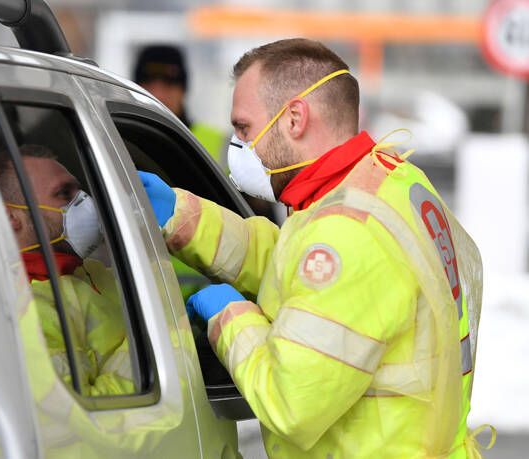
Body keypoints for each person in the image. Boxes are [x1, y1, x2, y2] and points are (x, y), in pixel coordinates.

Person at [139, 38, 489, 458]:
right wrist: (182, 215)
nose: (236, 144)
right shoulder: (384, 182)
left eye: (244, 128)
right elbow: (298, 265)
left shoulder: (347, 231)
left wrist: (229, 317)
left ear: (294, 119)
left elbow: (290, 402)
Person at [0, 144, 134, 397]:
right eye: (64, 194)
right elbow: (81, 416)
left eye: (79, 191)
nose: (86, 203)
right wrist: (170, 345)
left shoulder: (92, 272)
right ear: (10, 218)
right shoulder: (24, 312)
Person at [133, 44, 226, 163]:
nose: (158, 95)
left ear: (183, 90)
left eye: (168, 85)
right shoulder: (118, 135)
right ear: (135, 89)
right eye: (149, 85)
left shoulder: (219, 144)